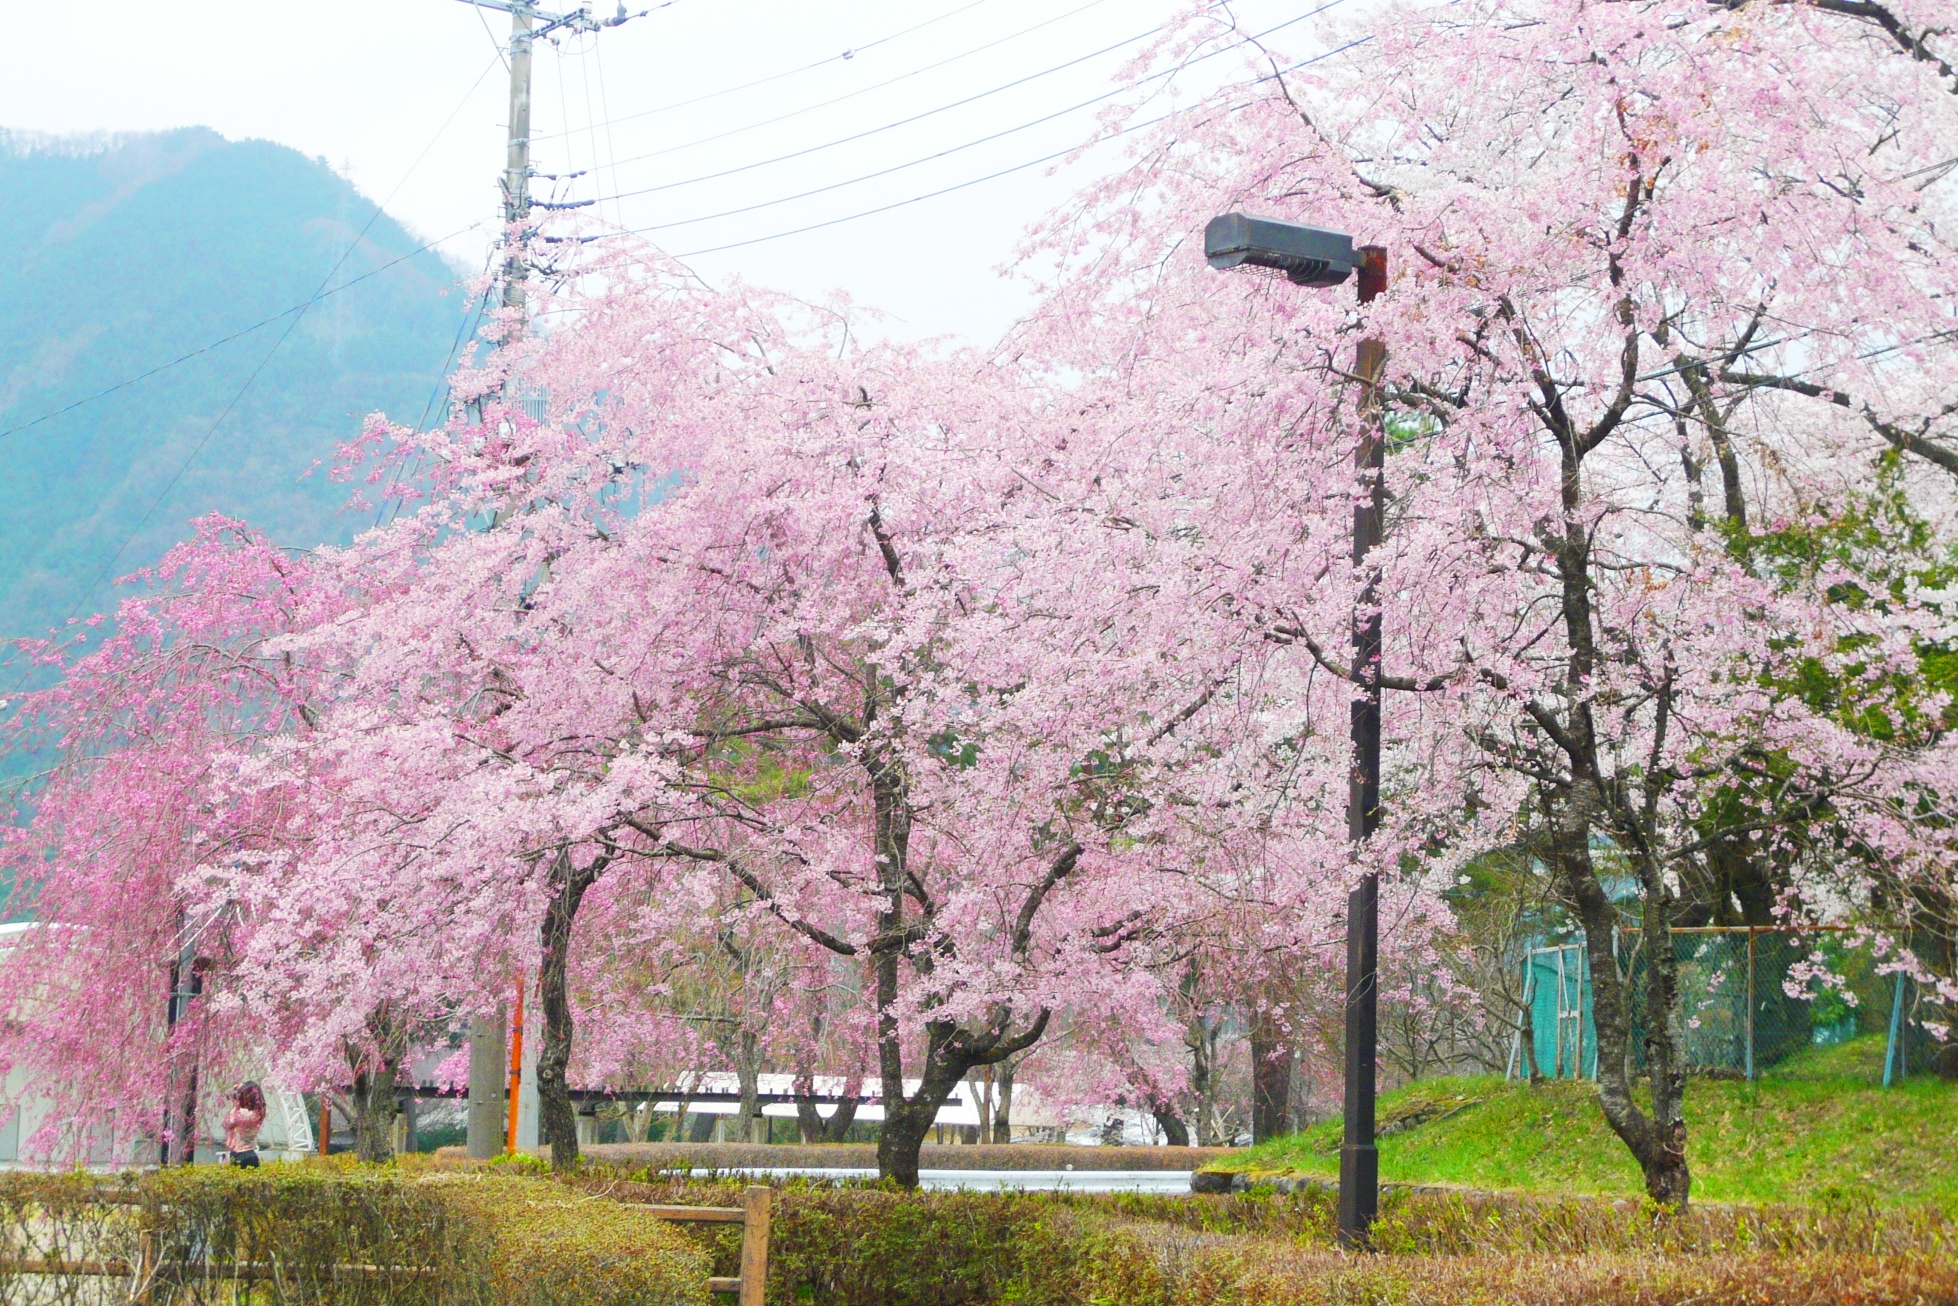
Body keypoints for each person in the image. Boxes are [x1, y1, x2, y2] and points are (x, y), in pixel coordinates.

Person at [223, 1082, 266, 1167]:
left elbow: (228, 1123)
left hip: (241, 1155)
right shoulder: (258, 1112)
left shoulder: (243, 1113)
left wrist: (235, 1106)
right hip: (250, 1154)